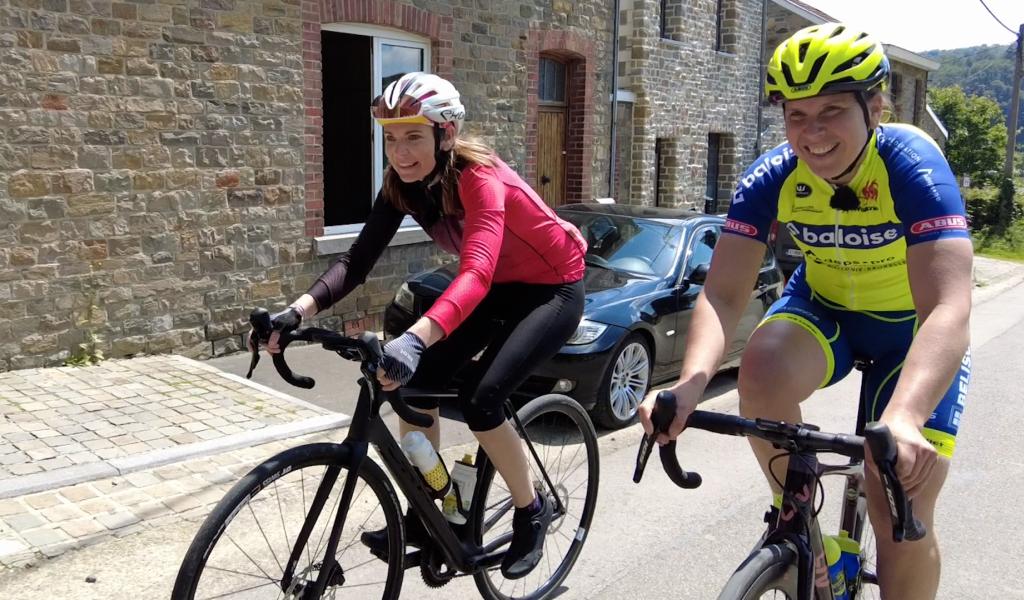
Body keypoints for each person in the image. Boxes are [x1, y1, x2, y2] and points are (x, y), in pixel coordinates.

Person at [639, 24, 972, 599]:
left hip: (912, 333)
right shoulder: (771, 176)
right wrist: (689, 385)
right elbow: (722, 295)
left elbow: (948, 304)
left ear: (876, 106)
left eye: (831, 112)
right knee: (760, 370)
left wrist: (907, 416)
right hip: (827, 313)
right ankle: (810, 537)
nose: (811, 134)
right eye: (796, 115)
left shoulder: (911, 164)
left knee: (899, 508)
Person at [252, 72, 587, 579]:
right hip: (495, 287)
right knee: (416, 387)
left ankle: (531, 510)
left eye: (413, 136)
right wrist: (296, 312)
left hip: (551, 289)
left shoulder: (479, 178)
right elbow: (357, 260)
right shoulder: (401, 187)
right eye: (390, 138)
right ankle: (430, 511)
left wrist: (414, 338)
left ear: (445, 134)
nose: (400, 152)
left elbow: (476, 271)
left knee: (482, 399)